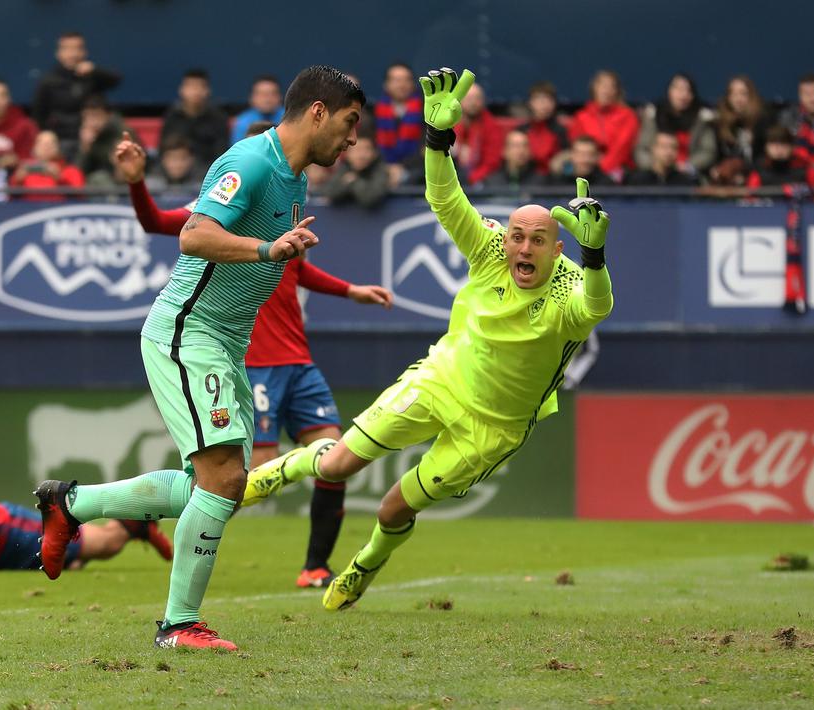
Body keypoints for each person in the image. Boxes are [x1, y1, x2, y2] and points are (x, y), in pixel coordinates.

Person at [241, 67, 614, 612]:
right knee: (340, 463)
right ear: (505, 238)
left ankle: (366, 562)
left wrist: (596, 256)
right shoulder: (490, 250)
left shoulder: (572, 284)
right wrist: (438, 141)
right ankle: (283, 469)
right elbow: (445, 200)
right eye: (517, 236)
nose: (523, 249)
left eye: (538, 240)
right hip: (441, 380)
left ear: (558, 249)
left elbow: (596, 307)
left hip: (494, 427)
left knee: (394, 509)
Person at [36, 65, 366, 652]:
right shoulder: (252, 162)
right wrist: (268, 245)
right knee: (222, 479)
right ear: (318, 111)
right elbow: (193, 234)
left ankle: (71, 503)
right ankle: (179, 624)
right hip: (189, 333)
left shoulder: (294, 179)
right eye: (349, 122)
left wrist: (286, 251)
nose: (353, 138)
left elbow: (263, 250)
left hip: (227, 344)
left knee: (217, 487)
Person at [111, 124, 392, 593]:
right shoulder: (230, 201)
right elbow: (166, 225)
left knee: (337, 455)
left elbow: (298, 267)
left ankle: (315, 565)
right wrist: (137, 182)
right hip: (249, 356)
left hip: (297, 360)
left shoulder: (290, 199)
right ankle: (138, 515)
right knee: (236, 479)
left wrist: (351, 291)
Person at [0, 501, 171, 571]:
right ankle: (73, 559)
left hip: (1, 530)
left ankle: (134, 520)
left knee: (106, 544)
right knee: (68, 559)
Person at [31, 31, 122, 154]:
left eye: (77, 48)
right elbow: (38, 116)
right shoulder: (48, 82)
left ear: (84, 52)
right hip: (63, 138)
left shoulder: (92, 76)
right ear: (59, 53)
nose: (73, 54)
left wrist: (95, 70)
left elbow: (116, 80)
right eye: (67, 49)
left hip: (95, 135)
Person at [634, 73, 716, 177]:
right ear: (670, 91)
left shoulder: (703, 117)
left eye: (688, 91)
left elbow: (708, 151)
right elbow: (641, 149)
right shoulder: (654, 114)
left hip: (689, 173)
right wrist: (654, 167)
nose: (683, 95)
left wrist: (687, 166)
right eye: (678, 89)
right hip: (654, 172)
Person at [568, 70, 639, 180]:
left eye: (611, 87)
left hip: (618, 169)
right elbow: (577, 145)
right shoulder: (581, 116)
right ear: (594, 88)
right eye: (602, 86)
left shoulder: (628, 116)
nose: (606, 91)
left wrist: (602, 168)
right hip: (586, 165)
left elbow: (622, 147)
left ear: (617, 91)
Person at [709, 75, 770, 186]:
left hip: (755, 178)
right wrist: (715, 169)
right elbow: (715, 155)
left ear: (751, 96)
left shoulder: (761, 121)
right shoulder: (719, 122)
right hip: (725, 180)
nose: (738, 98)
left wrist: (745, 171)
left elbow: (765, 158)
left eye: (743, 93)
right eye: (733, 94)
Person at [160, 69, 230, 165]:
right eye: (191, 86)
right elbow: (162, 151)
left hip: (208, 173)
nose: (195, 91)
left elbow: (221, 154)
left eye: (200, 86)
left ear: (208, 91)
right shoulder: (172, 116)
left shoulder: (219, 118)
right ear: (181, 90)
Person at [373, 62, 423, 185]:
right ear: (386, 85)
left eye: (406, 80)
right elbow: (368, 146)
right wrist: (388, 167)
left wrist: (402, 167)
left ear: (413, 84)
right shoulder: (373, 113)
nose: (402, 85)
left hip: (417, 174)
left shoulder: (427, 111)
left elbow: (427, 147)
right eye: (396, 80)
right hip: (381, 171)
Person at [9, 130, 84, 201]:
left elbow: (79, 197)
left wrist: (60, 178)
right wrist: (17, 182)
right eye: (41, 143)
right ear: (33, 148)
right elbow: (9, 198)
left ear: (58, 148)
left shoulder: (71, 171)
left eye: (51, 143)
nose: (46, 147)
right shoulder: (23, 170)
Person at [453, 81, 503, 185]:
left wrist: (471, 178)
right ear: (460, 100)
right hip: (451, 175)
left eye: (477, 98)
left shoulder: (491, 126)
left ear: (483, 101)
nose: (473, 103)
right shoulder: (449, 122)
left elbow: (492, 162)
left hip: (480, 179)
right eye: (469, 98)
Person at [0, 78, 38, 168]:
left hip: (13, 176)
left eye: (1, 96)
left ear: (9, 99)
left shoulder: (25, 126)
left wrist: (17, 160)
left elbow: (35, 158)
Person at [74, 95, 131, 184]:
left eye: (96, 115)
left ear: (108, 116)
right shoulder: (83, 136)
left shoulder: (122, 132)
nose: (92, 121)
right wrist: (85, 148)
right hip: (94, 184)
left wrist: (119, 164)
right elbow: (77, 176)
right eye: (87, 116)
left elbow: (133, 172)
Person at [321, 134, 389, 208]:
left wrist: (354, 182)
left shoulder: (379, 168)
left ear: (374, 153)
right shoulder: (345, 167)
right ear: (348, 154)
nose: (361, 155)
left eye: (367, 149)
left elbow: (372, 198)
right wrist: (345, 185)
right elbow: (329, 192)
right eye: (357, 150)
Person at [518, 81, 569, 176]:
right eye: (539, 99)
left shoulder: (560, 131)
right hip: (525, 179)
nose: (544, 104)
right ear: (530, 103)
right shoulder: (521, 131)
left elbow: (567, 161)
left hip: (552, 181)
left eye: (548, 99)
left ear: (554, 104)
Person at [747, 124, 814, 190]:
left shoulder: (806, 172)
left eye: (783, 144)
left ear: (792, 147)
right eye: (774, 144)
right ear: (766, 147)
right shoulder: (758, 174)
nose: (779, 149)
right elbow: (751, 201)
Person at [626, 132, 699, 187]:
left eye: (673, 147)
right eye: (664, 147)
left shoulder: (685, 182)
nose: (669, 152)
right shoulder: (637, 180)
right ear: (653, 149)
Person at [480, 129, 546, 189]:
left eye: (525, 145)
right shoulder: (492, 182)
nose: (521, 151)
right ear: (504, 151)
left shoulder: (541, 183)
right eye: (516, 146)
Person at [230, 76, 285, 145]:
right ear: (252, 98)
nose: (268, 99)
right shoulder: (241, 123)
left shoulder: (290, 119)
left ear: (280, 97)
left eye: (272, 94)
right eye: (262, 94)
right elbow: (237, 151)